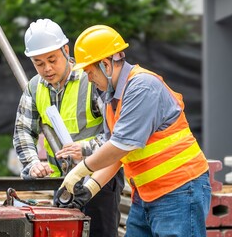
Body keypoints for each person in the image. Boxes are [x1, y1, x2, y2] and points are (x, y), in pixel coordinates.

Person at [56, 25, 211, 237]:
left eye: (89, 72)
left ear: (105, 65)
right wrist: (89, 189)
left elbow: (120, 147)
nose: (88, 78)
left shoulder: (142, 87)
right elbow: (117, 156)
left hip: (180, 189)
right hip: (148, 194)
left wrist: (80, 171)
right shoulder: (113, 99)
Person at [13, 19, 124, 237]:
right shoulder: (35, 88)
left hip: (99, 180)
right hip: (64, 183)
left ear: (66, 50)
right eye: (38, 63)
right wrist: (33, 163)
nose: (47, 68)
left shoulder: (92, 79)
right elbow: (23, 131)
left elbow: (117, 134)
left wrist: (84, 148)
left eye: (52, 60)